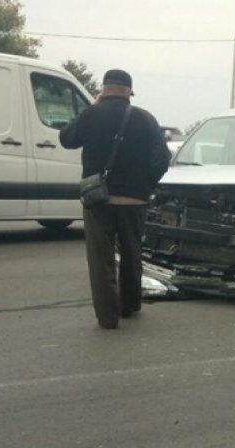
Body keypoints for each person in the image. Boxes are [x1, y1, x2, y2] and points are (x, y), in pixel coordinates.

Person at [59, 69, 170, 329]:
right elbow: (161, 160)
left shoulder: (91, 114)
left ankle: (108, 317)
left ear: (103, 89)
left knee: (101, 260)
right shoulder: (145, 118)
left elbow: (66, 139)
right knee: (132, 253)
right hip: (135, 201)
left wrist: (94, 105)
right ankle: (130, 305)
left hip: (99, 199)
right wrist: (145, 186)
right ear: (129, 91)